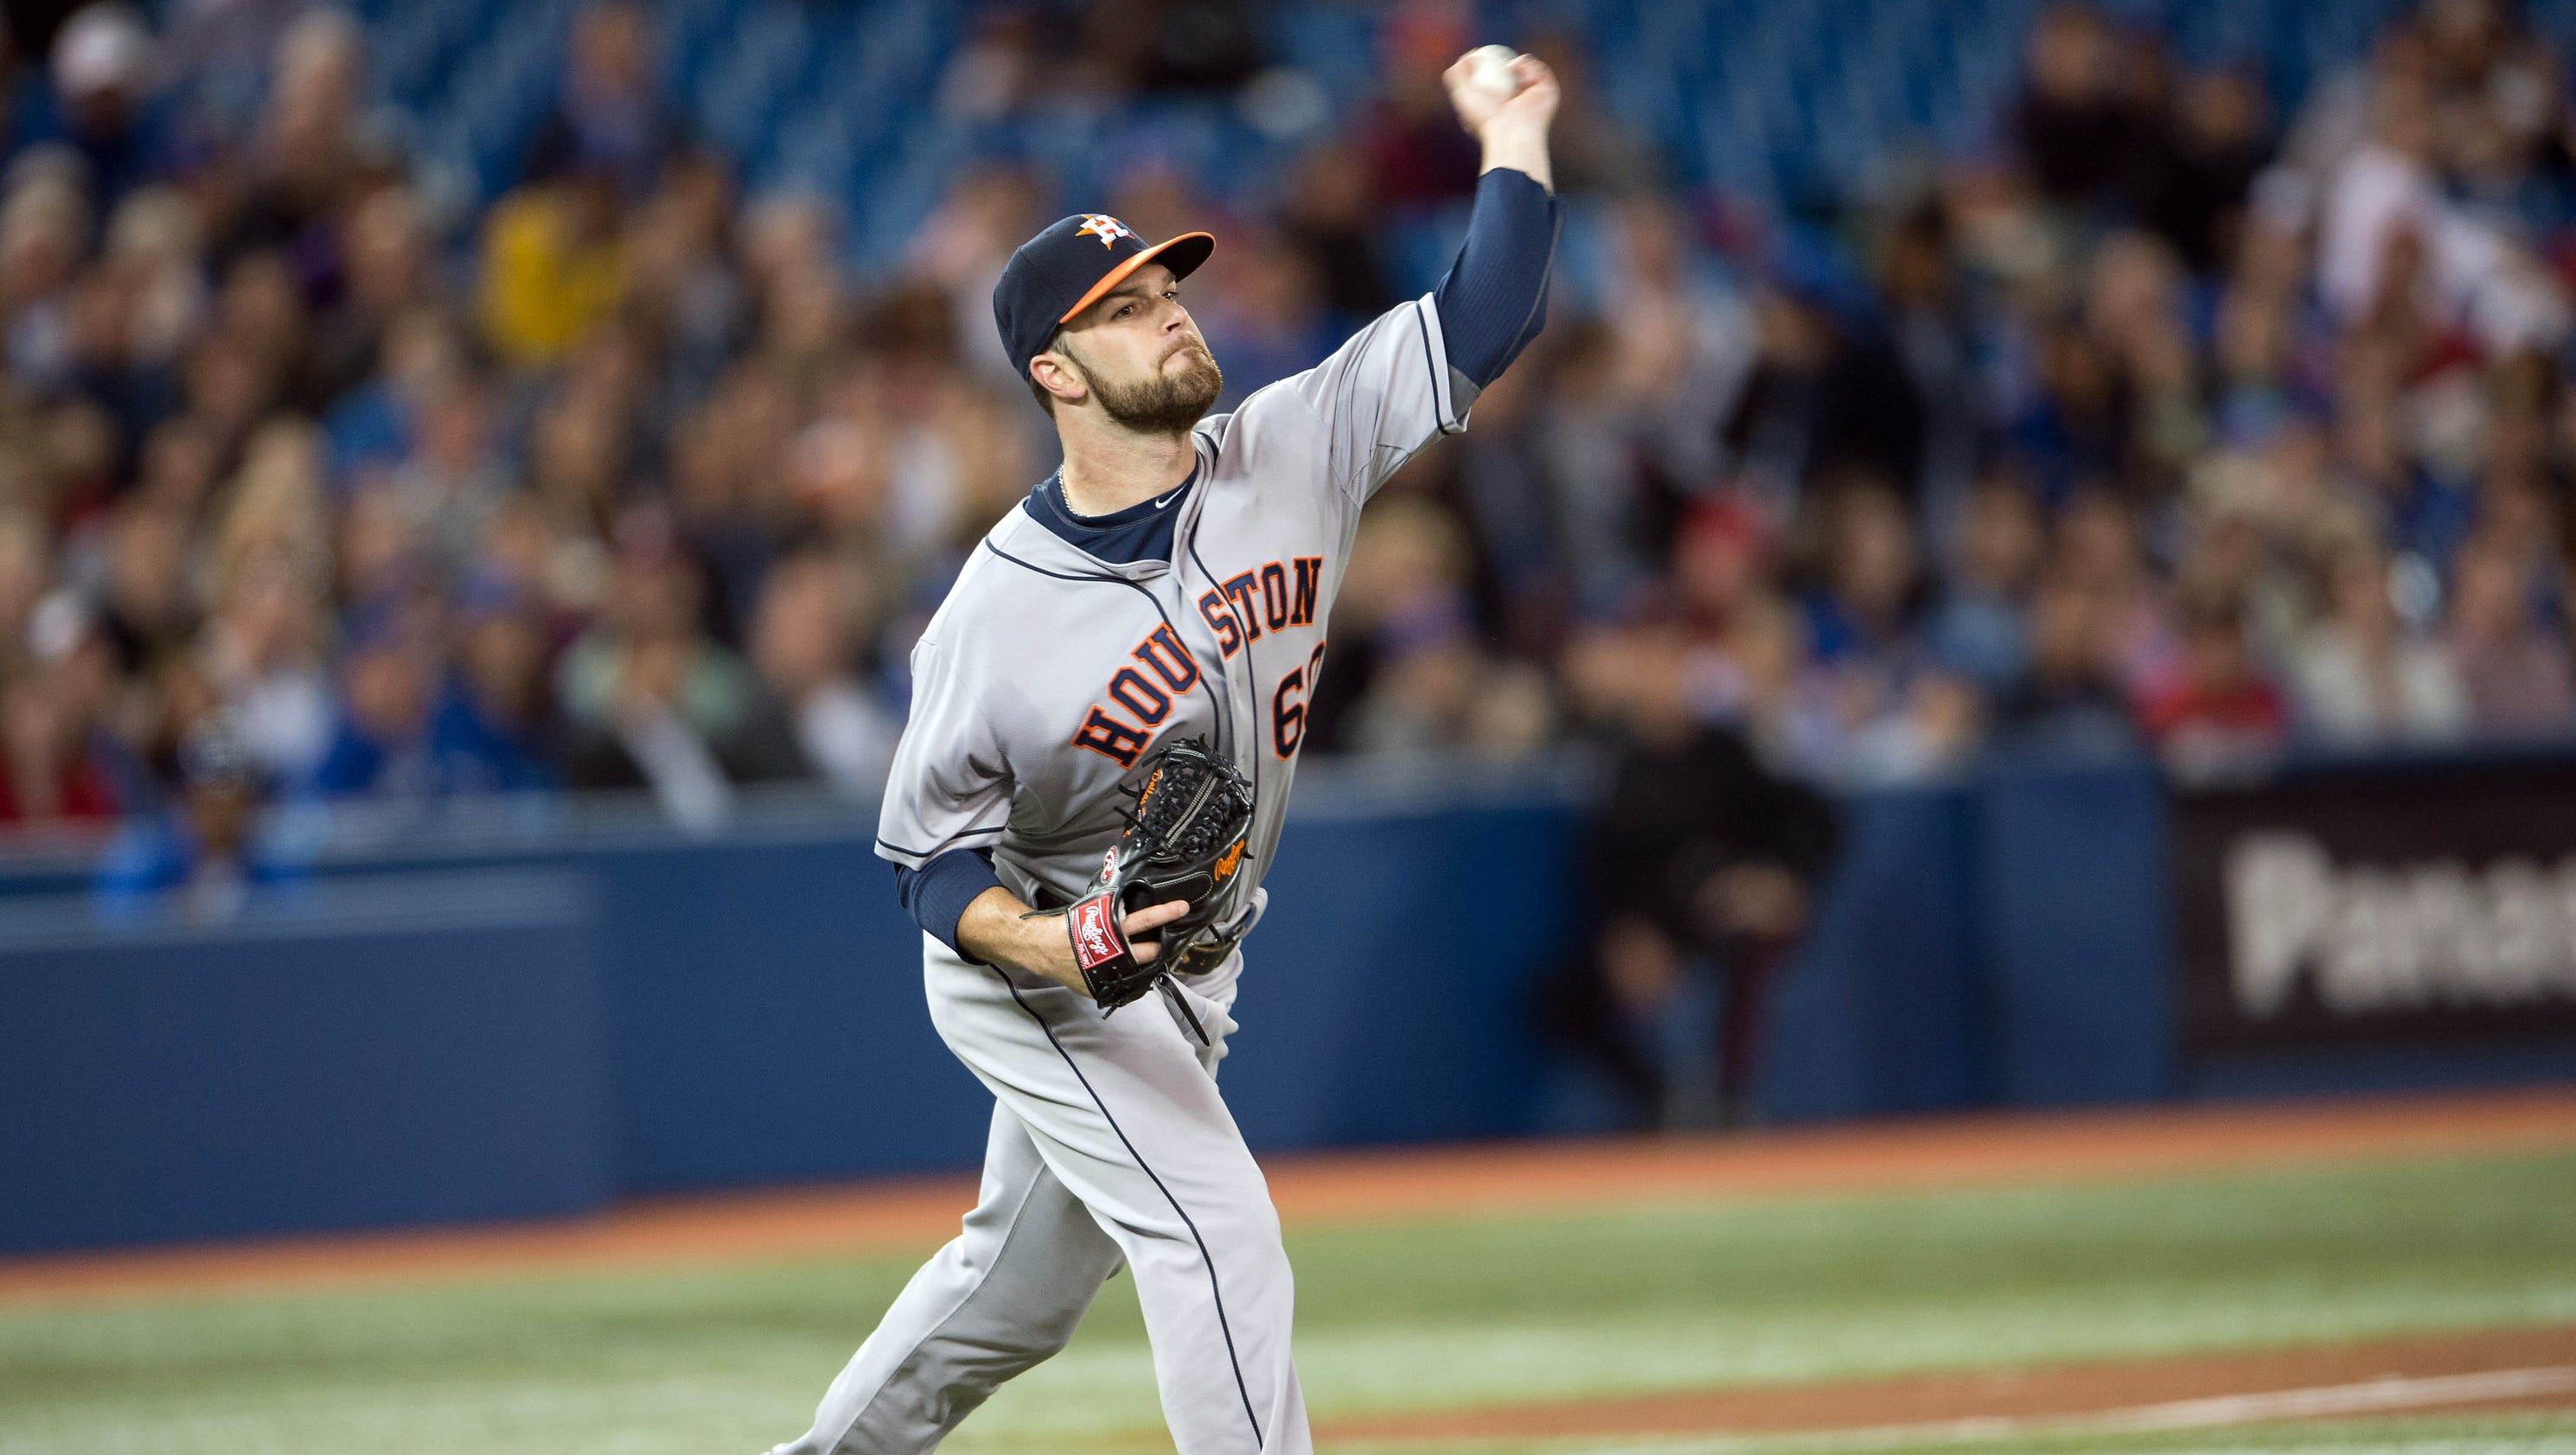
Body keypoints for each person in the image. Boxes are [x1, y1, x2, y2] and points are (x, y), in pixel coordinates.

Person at [769, 48, 1559, 1455]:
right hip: (1041, 969)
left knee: (1011, 1301)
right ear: (1055, 371)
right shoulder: (995, 615)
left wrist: (1514, 129)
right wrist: (1056, 946)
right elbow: (926, 864)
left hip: (1193, 957)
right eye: (1123, 312)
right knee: (1219, 1234)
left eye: (1169, 290)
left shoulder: (1291, 449)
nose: (1170, 317)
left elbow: (1484, 314)